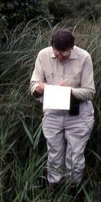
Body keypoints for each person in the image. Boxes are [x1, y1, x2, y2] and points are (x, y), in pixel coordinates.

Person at [29, 29, 95, 186]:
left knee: (75, 157)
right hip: (53, 112)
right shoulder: (43, 55)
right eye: (56, 53)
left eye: (64, 54)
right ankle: (54, 189)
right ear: (52, 46)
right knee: (54, 155)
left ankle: (73, 189)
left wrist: (66, 92)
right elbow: (33, 85)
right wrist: (37, 89)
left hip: (78, 112)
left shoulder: (84, 57)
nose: (59, 57)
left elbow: (90, 92)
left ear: (72, 47)